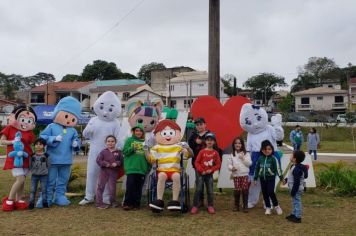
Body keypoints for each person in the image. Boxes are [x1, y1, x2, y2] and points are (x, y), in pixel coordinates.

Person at [1, 105, 37, 211]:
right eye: (23, 119)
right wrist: (13, 141)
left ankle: (19, 200)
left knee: (23, 180)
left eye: (29, 120)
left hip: (26, 157)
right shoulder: (9, 128)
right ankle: (10, 200)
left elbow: (30, 144)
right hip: (14, 158)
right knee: (20, 179)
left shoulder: (30, 132)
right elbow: (2, 141)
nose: (25, 122)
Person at [191, 133, 221, 214]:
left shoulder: (215, 153)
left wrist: (211, 170)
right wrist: (201, 170)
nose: (209, 142)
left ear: (214, 142)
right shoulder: (202, 151)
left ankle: (210, 205)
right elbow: (196, 162)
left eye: (211, 140)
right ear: (205, 142)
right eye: (208, 140)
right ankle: (195, 206)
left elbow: (218, 164)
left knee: (210, 190)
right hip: (200, 173)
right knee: (199, 189)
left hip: (209, 174)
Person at [122, 124, 149, 210]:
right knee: (130, 186)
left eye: (140, 131)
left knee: (138, 188)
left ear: (143, 132)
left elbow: (148, 156)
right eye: (136, 130)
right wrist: (132, 148)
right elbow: (125, 152)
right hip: (131, 168)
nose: (138, 132)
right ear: (133, 132)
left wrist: (148, 167)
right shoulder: (129, 140)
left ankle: (136, 204)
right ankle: (127, 203)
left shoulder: (145, 142)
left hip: (142, 169)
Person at [253, 140, 283, 215]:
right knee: (264, 193)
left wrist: (281, 178)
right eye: (265, 149)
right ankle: (268, 207)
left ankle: (276, 206)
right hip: (262, 179)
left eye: (269, 149)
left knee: (271, 192)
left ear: (272, 149)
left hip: (271, 179)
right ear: (262, 150)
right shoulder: (260, 159)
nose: (267, 151)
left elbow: (278, 169)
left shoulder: (273, 159)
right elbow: (257, 169)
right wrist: (255, 178)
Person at [96, 135, 123, 209]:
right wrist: (105, 164)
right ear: (106, 142)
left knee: (112, 188)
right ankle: (99, 203)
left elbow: (121, 161)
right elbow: (98, 160)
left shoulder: (118, 152)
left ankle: (113, 202)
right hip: (104, 172)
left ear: (115, 142)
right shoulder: (103, 152)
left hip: (113, 172)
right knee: (100, 187)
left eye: (112, 141)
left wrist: (117, 163)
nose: (110, 143)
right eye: (108, 141)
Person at [188, 117, 210, 206]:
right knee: (199, 182)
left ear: (205, 125)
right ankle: (200, 201)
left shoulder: (210, 134)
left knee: (209, 184)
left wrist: (202, 142)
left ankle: (210, 202)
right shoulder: (193, 135)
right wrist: (195, 142)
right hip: (197, 163)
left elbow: (214, 145)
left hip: (209, 163)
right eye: (197, 125)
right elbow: (190, 146)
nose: (199, 126)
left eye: (201, 124)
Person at [283, 150, 308, 223]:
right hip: (294, 188)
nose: (290, 156)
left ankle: (298, 217)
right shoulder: (294, 166)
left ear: (294, 159)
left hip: (296, 189)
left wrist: (293, 191)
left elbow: (296, 182)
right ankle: (294, 214)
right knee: (294, 201)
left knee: (297, 202)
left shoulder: (297, 169)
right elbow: (293, 177)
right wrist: (286, 180)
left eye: (291, 155)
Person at [227, 137, 251, 213]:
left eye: (239, 143)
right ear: (233, 145)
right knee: (237, 190)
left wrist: (243, 158)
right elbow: (229, 165)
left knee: (245, 190)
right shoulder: (232, 154)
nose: (237, 144)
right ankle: (236, 205)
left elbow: (249, 163)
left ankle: (245, 206)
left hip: (244, 175)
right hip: (236, 175)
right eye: (236, 143)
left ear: (242, 144)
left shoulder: (246, 154)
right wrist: (232, 168)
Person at [29, 138, 50, 210]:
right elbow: (30, 165)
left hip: (44, 175)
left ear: (44, 146)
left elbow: (49, 165)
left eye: (40, 144)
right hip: (34, 176)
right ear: (34, 146)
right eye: (36, 144)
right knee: (32, 190)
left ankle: (45, 204)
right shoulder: (32, 156)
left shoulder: (46, 155)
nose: (38, 146)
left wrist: (45, 171)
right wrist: (32, 171)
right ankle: (31, 204)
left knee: (44, 190)